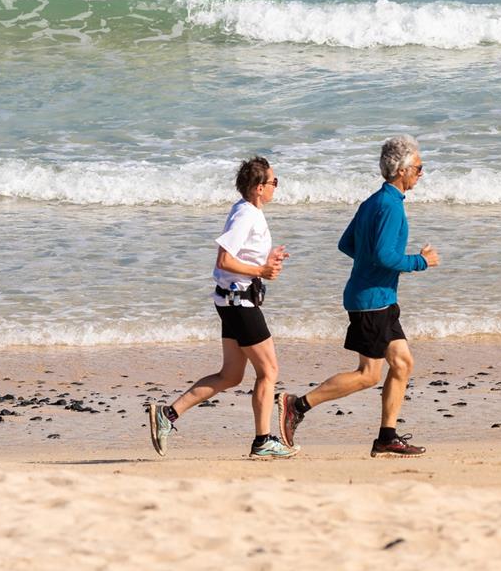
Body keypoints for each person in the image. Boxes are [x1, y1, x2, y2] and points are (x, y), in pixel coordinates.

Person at [275, 135, 439, 457]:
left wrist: (371, 266)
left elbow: (347, 245)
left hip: (380, 298)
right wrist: (421, 261)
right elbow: (384, 256)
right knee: (368, 374)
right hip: (371, 302)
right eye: (419, 168)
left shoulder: (373, 202)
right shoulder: (390, 206)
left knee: (403, 363)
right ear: (402, 170)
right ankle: (298, 406)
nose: (422, 173)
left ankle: (387, 437)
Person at [147, 156, 296, 459]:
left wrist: (266, 261)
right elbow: (224, 261)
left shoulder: (247, 211)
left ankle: (168, 415)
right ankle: (263, 440)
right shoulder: (247, 215)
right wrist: (261, 272)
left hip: (232, 300)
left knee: (230, 376)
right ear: (258, 187)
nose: (276, 187)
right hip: (239, 302)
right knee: (269, 370)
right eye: (274, 182)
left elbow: (238, 258)